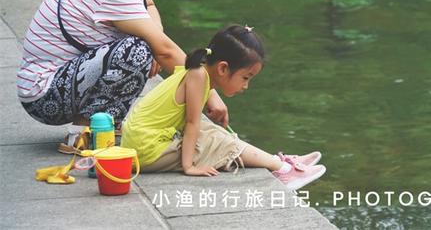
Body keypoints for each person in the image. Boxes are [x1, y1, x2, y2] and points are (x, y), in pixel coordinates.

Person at [16, 0, 230, 150]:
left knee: (147, 43)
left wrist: (153, 34)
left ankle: (100, 125)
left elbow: (149, 4)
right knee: (137, 51)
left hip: (49, 85)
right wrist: (208, 91)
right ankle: (84, 133)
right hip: (45, 94)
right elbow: (167, 52)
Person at [121, 25, 326, 190]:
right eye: (245, 78)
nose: (246, 86)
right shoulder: (198, 77)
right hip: (146, 150)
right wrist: (189, 167)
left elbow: (192, 123)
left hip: (141, 142)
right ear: (223, 68)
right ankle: (282, 169)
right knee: (218, 141)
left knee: (210, 130)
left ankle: (276, 161)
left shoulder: (197, 72)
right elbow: (191, 124)